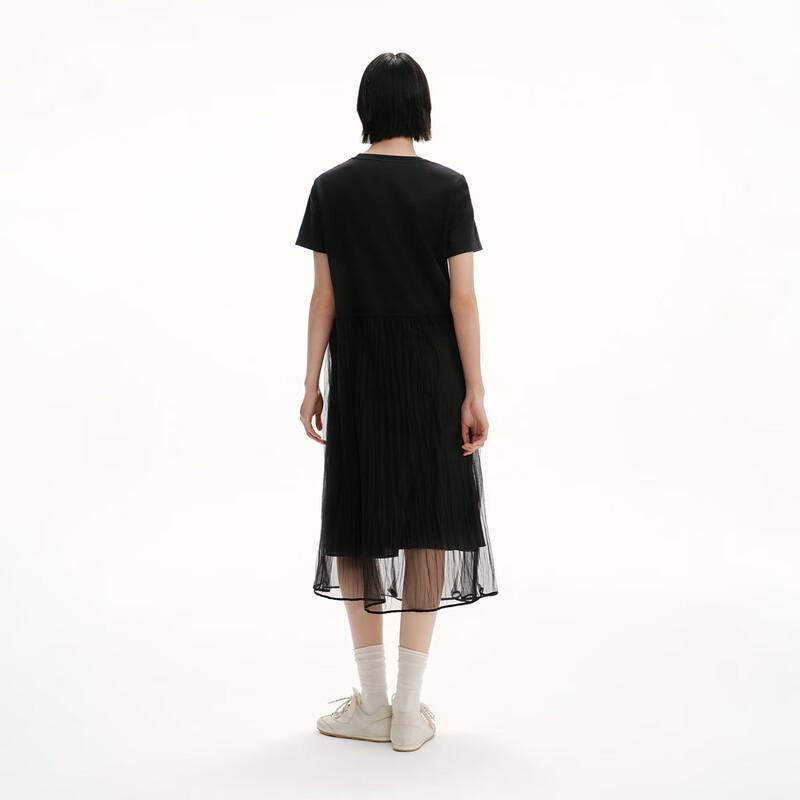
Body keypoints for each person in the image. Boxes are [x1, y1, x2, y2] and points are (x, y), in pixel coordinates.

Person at [295, 52, 498, 752]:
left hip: (360, 372)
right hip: (432, 371)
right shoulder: (449, 186)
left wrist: (311, 381)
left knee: (357, 522)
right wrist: (474, 390)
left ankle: (373, 703)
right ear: (421, 108)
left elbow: (324, 296)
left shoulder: (331, 187)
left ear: (365, 108)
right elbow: (462, 298)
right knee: (426, 524)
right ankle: (408, 712)